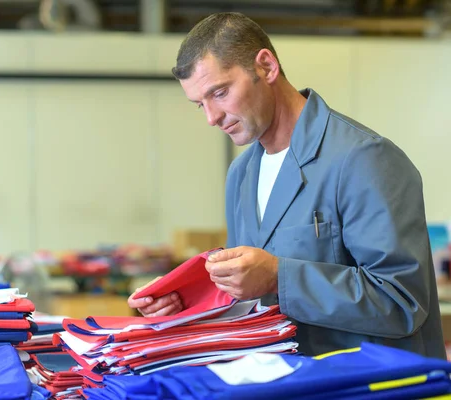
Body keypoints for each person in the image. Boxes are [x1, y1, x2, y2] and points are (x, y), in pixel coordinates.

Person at [127, 12, 446, 358]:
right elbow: (252, 302)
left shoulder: (364, 159)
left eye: (219, 93)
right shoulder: (242, 174)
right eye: (199, 104)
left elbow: (402, 302)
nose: (211, 118)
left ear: (266, 66)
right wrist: (185, 305)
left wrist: (280, 276)